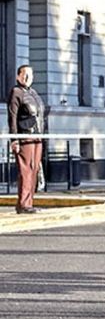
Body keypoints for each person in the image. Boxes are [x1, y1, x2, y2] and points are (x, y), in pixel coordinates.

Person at [7, 64, 45, 214]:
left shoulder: (34, 93)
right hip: (25, 136)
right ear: (18, 76)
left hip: (37, 136)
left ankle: (29, 202)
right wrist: (14, 139)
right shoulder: (16, 92)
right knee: (25, 170)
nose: (27, 78)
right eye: (24, 75)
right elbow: (12, 117)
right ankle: (23, 204)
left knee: (34, 169)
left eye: (30, 75)